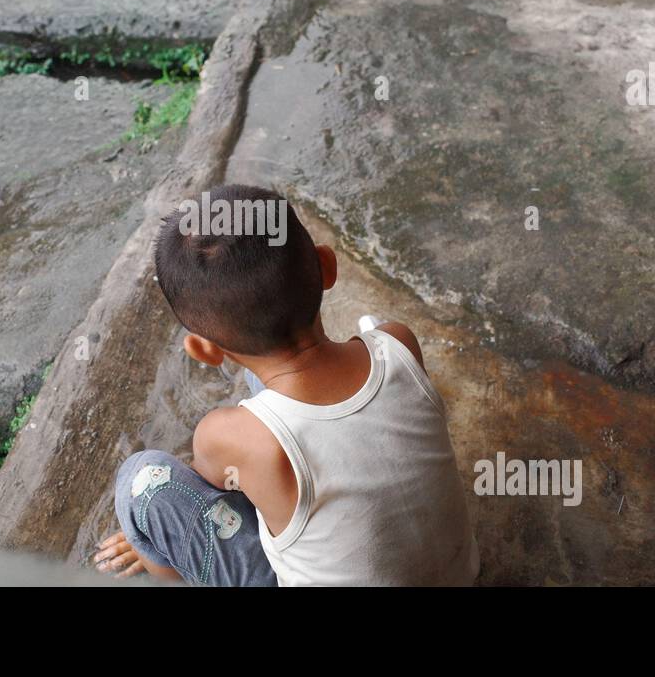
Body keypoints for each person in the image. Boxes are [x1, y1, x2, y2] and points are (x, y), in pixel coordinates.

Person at [94, 184, 478, 586]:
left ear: (204, 349)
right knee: (268, 385)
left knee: (141, 481)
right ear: (327, 267)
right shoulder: (399, 343)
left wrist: (164, 539)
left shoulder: (225, 437)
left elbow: (211, 488)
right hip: (457, 575)